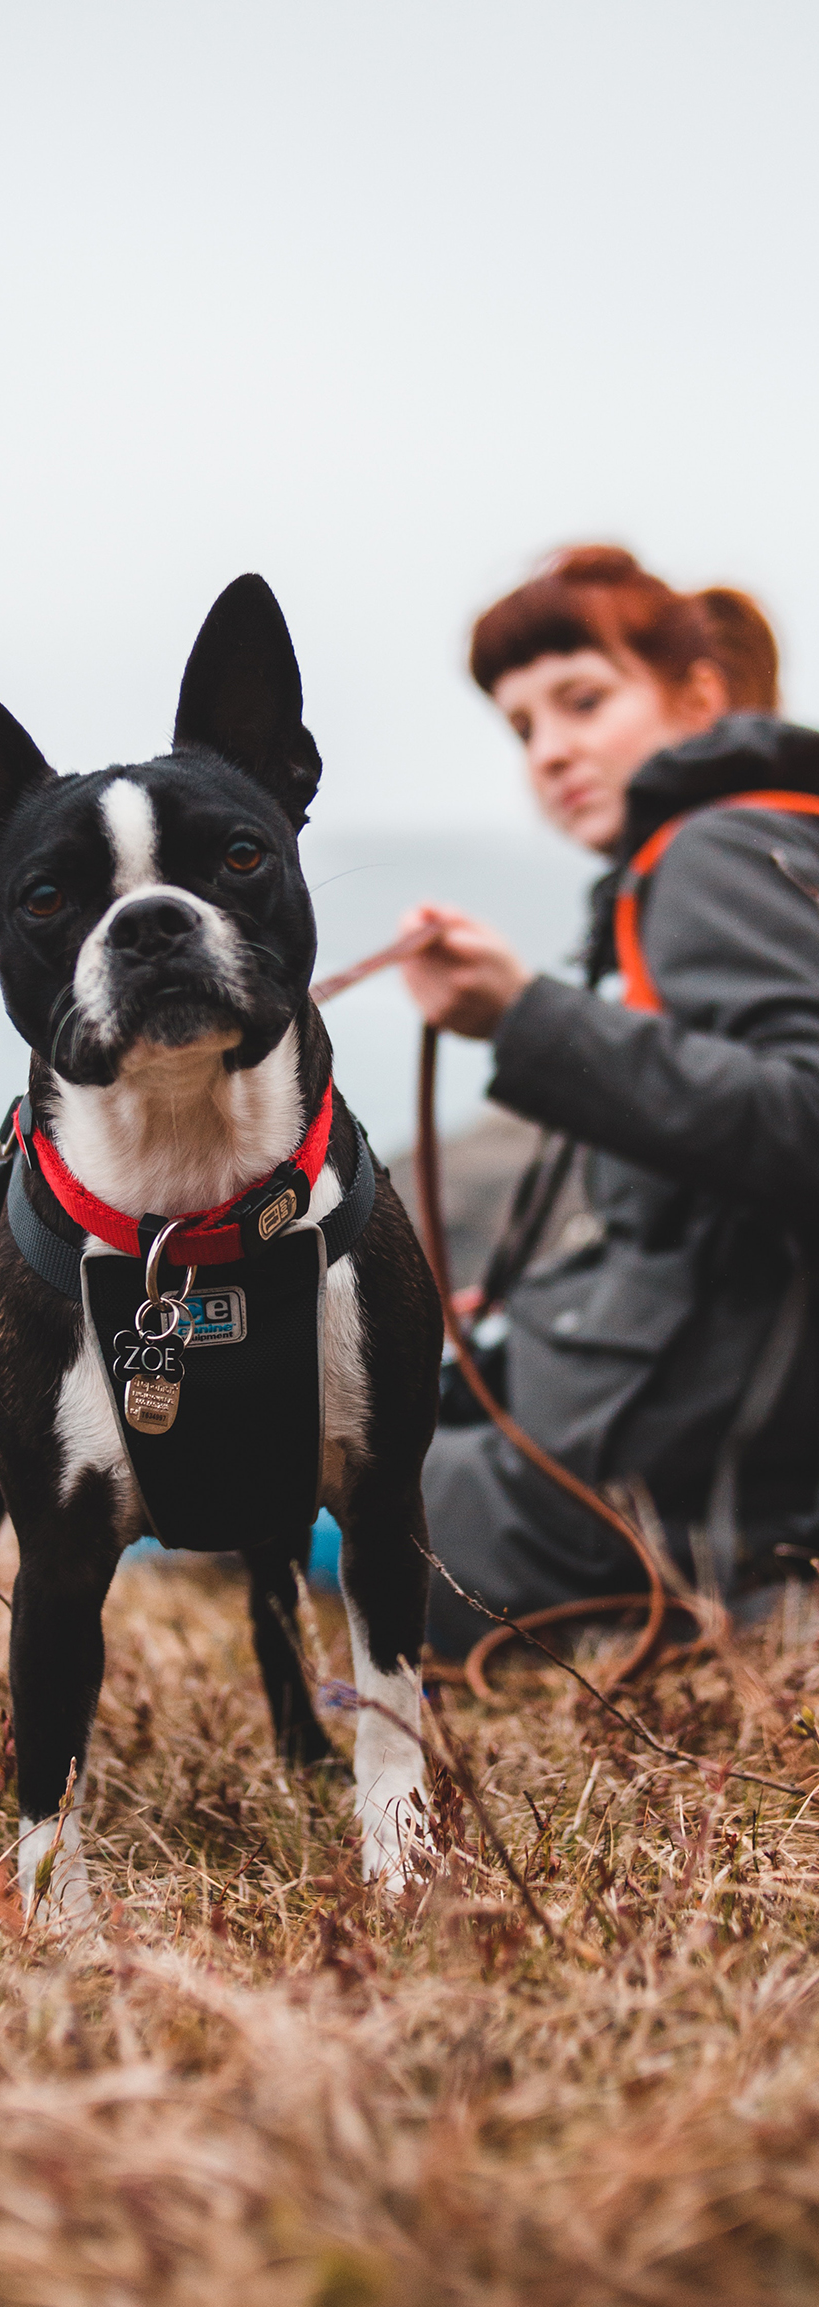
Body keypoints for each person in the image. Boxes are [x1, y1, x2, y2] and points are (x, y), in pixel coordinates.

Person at [401, 545, 819, 1655]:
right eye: (525, 727)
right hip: (681, 1476)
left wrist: (524, 1015)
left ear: (698, 695)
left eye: (583, 701)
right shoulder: (772, 844)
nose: (553, 751)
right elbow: (707, 1205)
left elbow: (803, 1122)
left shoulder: (709, 852)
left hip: (642, 1516)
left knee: (277, 1491)